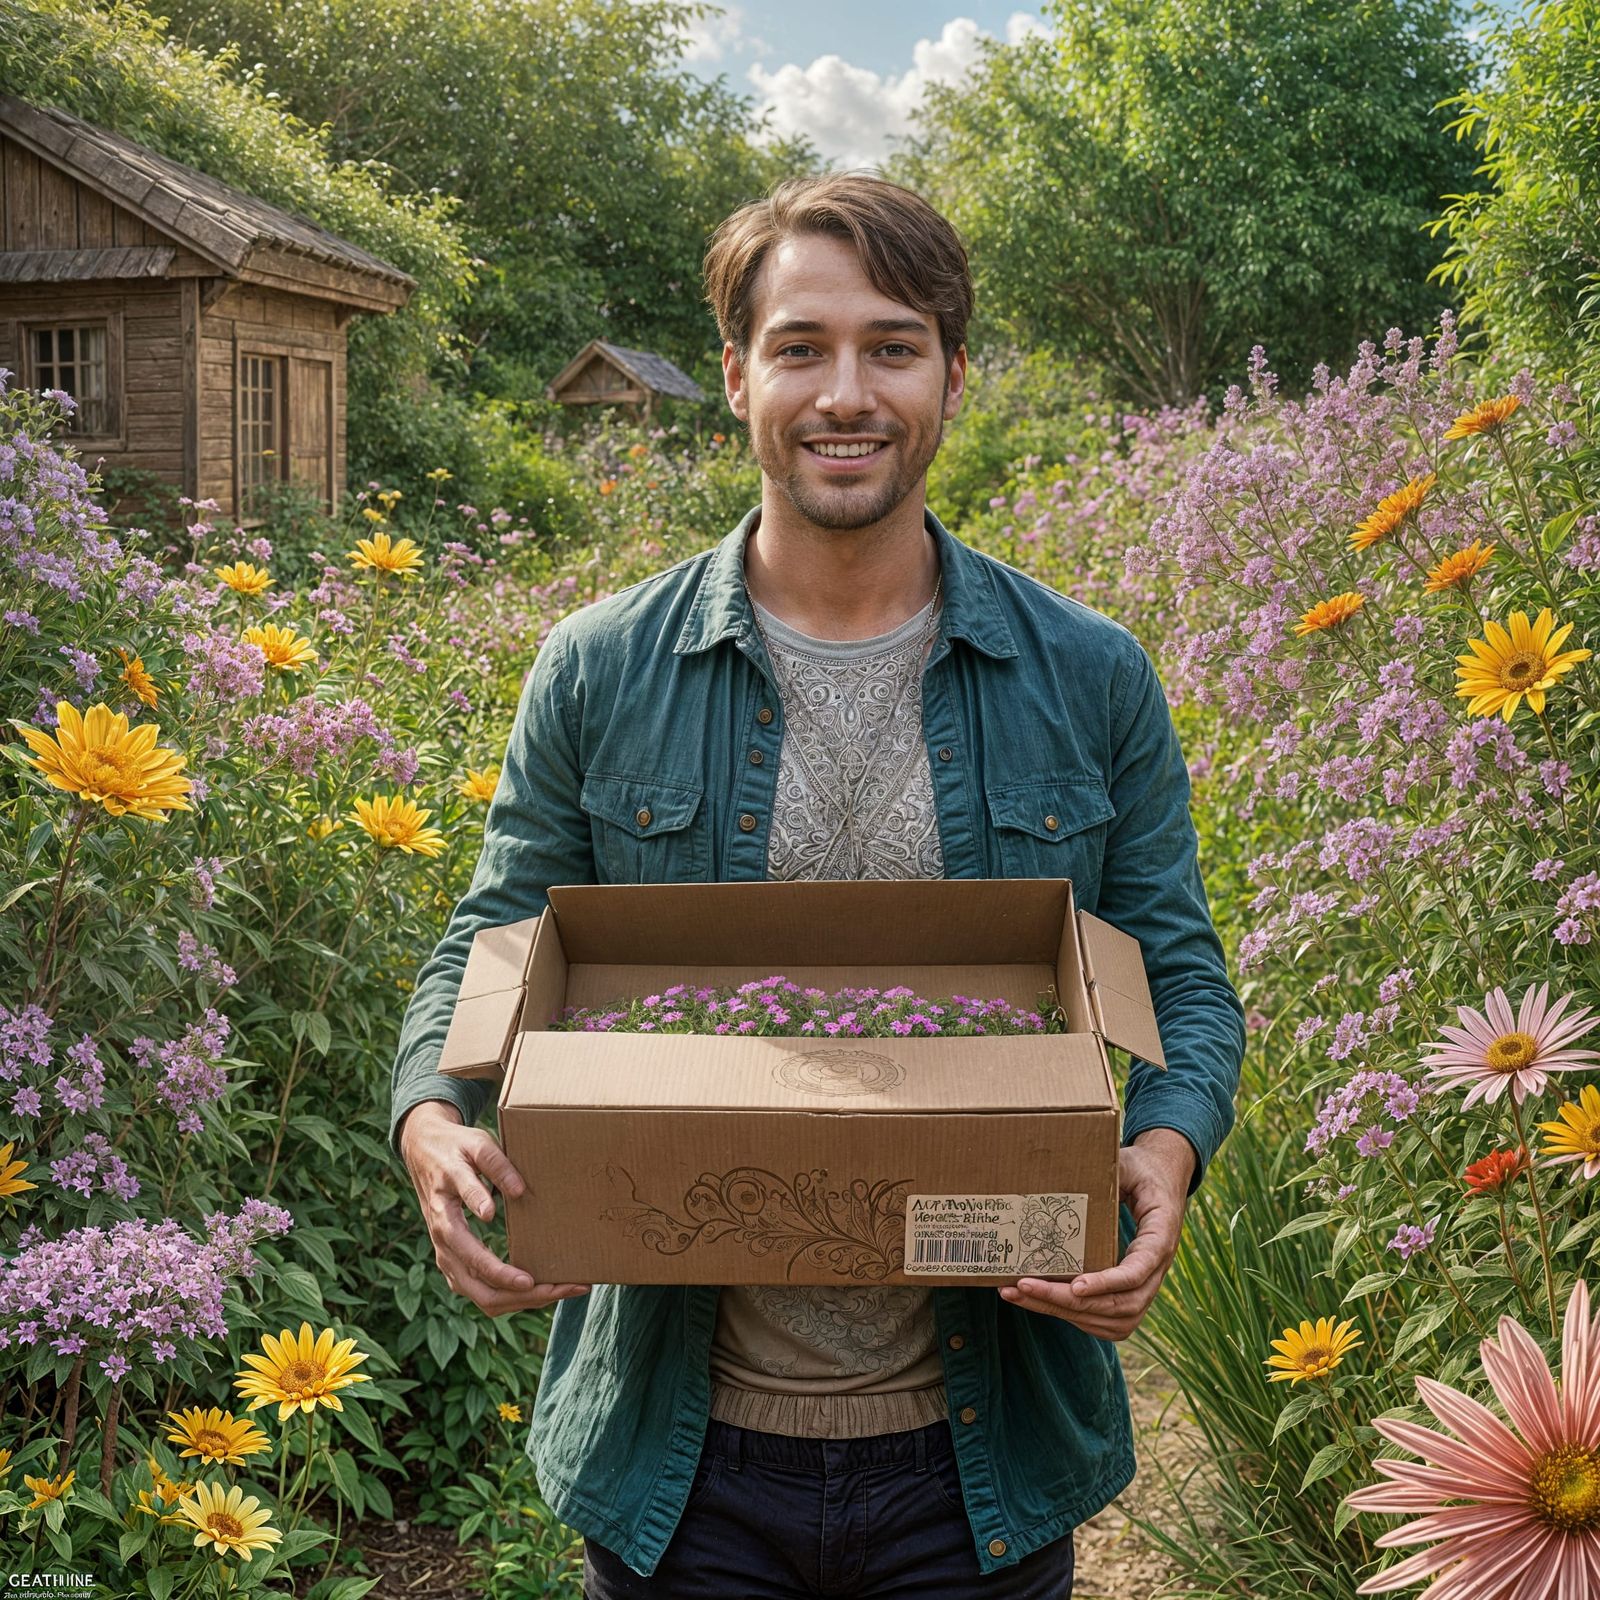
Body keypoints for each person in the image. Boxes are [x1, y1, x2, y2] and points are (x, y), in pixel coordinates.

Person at [390, 173, 1246, 1599]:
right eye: (801, 347)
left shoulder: (1089, 676)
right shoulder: (601, 669)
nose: (846, 393)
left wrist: (1166, 1148)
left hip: (982, 1457)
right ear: (737, 377)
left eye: (892, 347)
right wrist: (432, 1115)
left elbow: (1176, 970)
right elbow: (496, 934)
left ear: (952, 377)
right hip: (681, 1460)